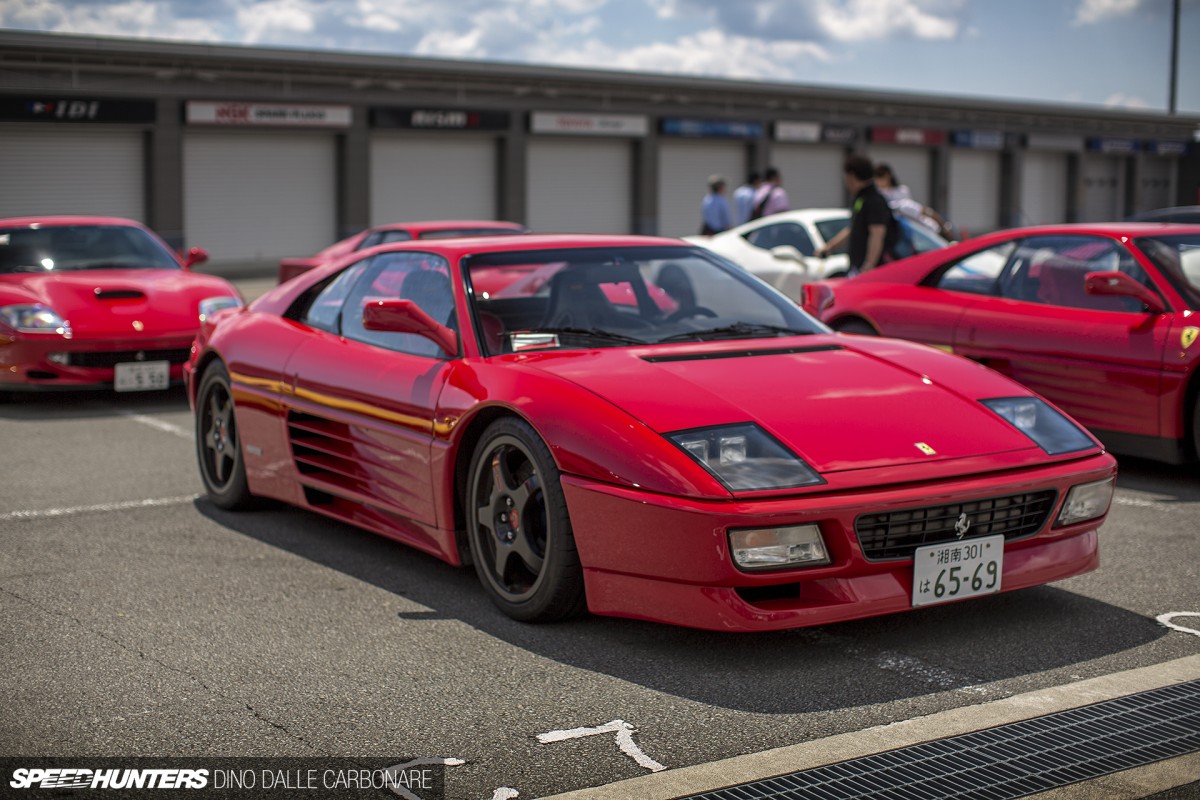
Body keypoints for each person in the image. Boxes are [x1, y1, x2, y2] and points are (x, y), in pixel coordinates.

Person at [816, 154, 900, 275]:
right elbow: (853, 228)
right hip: (857, 266)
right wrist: (829, 247)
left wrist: (869, 265)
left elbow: (877, 234)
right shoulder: (861, 198)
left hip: (870, 271)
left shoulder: (874, 200)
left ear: (852, 176)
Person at [873, 163, 953, 240]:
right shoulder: (877, 193)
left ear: (888, 176)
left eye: (880, 177)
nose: (878, 181)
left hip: (918, 230)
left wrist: (943, 225)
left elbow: (919, 209)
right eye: (876, 178)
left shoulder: (902, 194)